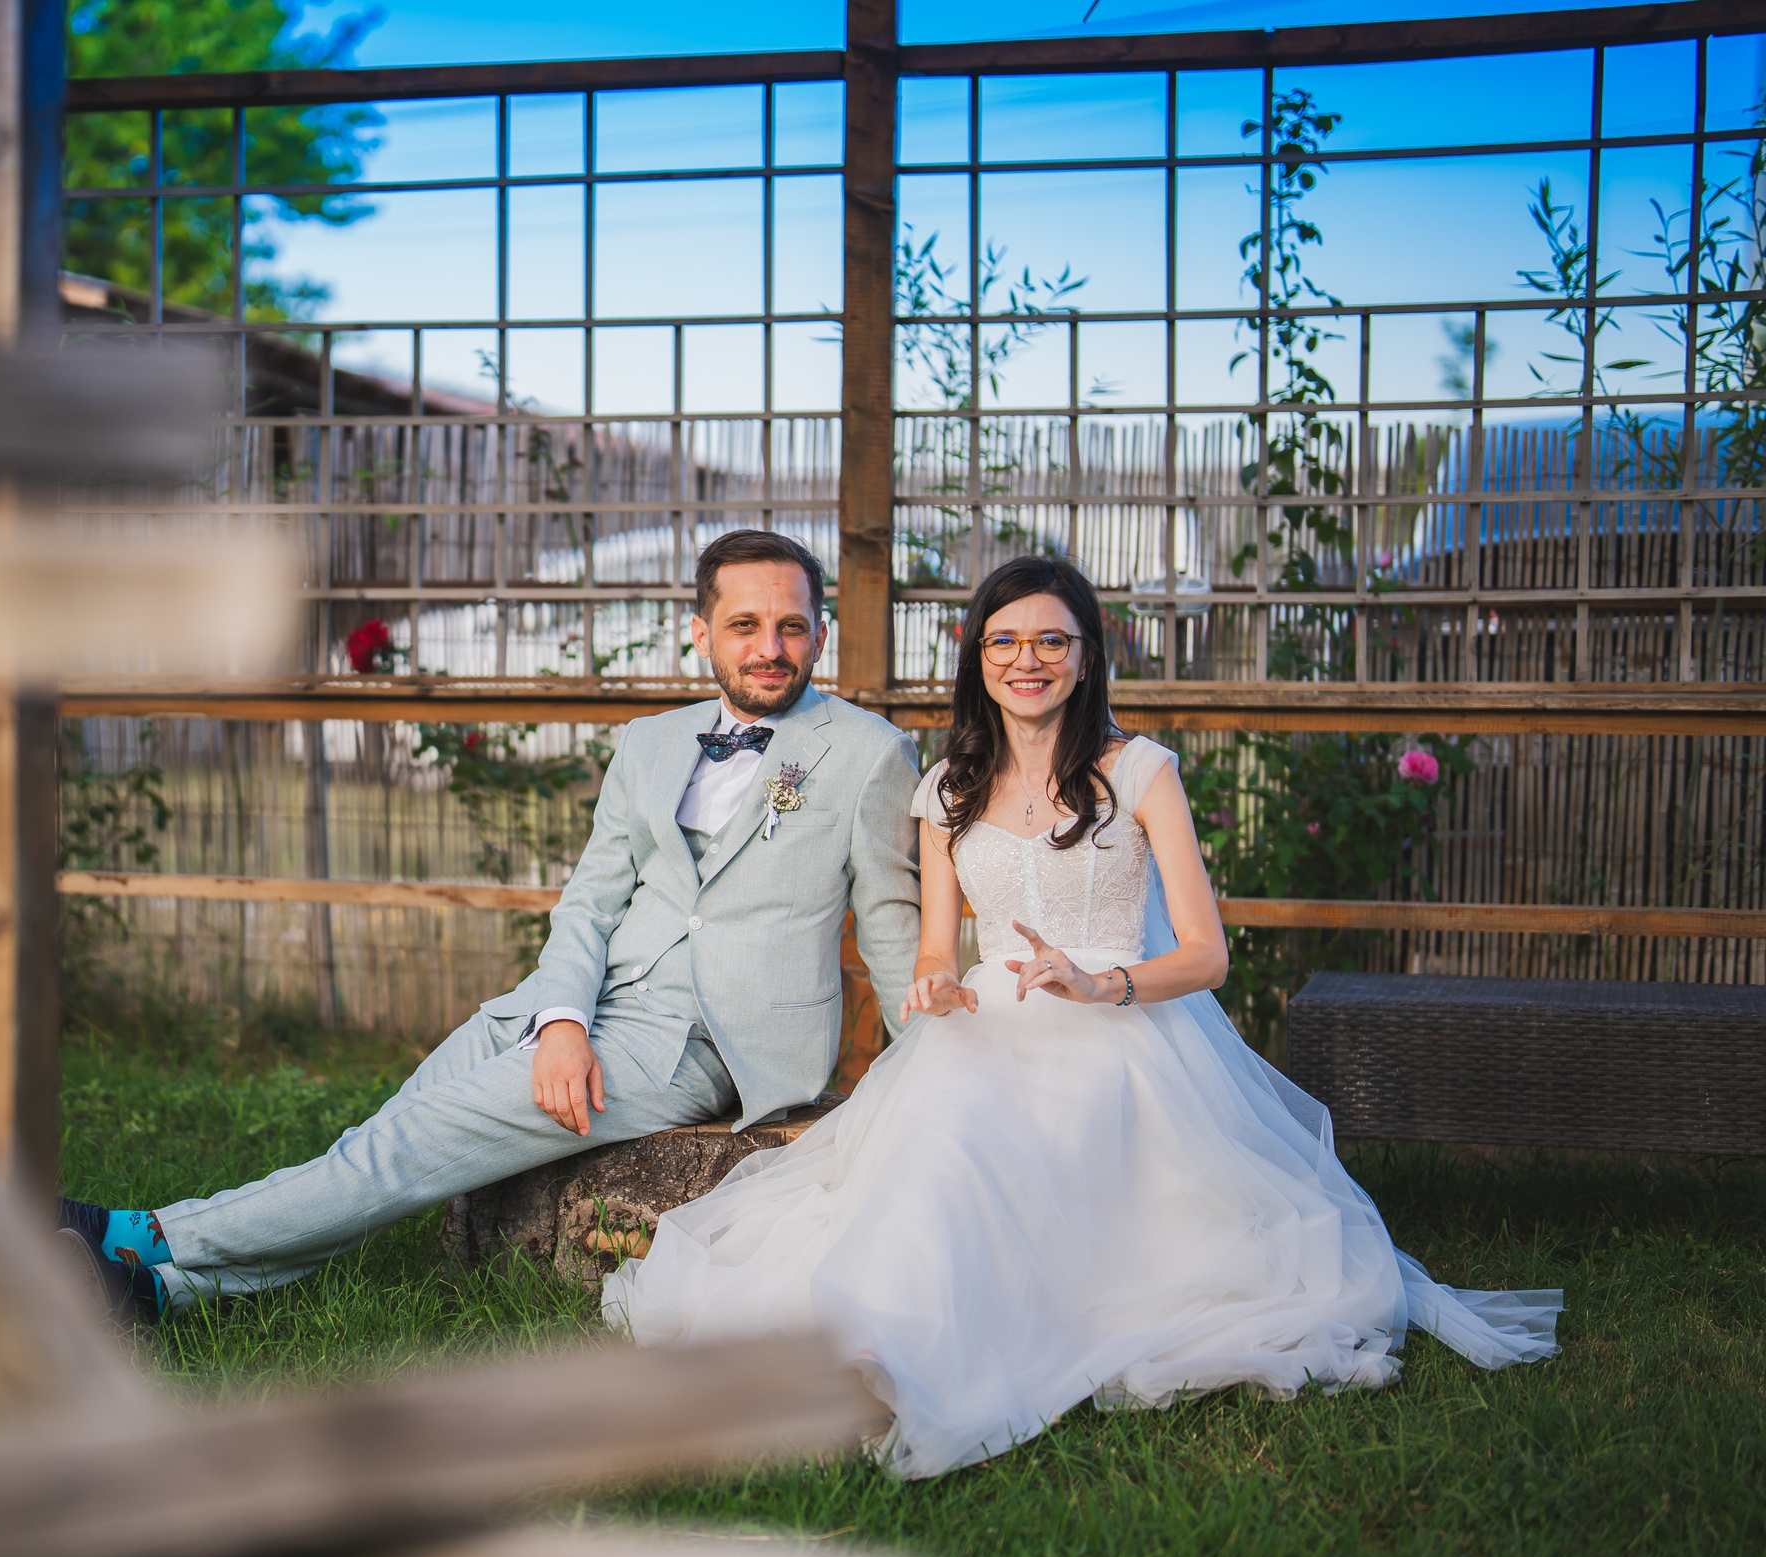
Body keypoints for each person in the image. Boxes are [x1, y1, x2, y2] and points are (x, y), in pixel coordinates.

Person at [604, 555, 1563, 1480]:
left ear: (1088, 652)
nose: (1029, 660)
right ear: (978, 657)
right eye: (1006, 641)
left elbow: (1207, 952)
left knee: (1056, 1182)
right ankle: (873, 1345)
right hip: (989, 1025)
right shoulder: (946, 790)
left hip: (1123, 1032)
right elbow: (939, 946)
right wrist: (933, 983)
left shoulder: (1141, 771)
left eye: (1053, 642)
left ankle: (940, 1352)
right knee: (941, 1151)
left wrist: (1107, 986)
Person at [56, 529, 931, 1319]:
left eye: (790, 626)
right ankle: (158, 1297)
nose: (769, 648)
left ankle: (146, 1234)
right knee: (385, 1148)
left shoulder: (867, 752)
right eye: (745, 625)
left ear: (820, 631)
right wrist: (559, 1020)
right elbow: (589, 901)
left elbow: (893, 926)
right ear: (700, 633)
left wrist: (922, 1081)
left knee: (403, 1147)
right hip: (563, 1005)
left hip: (696, 1047)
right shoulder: (650, 742)